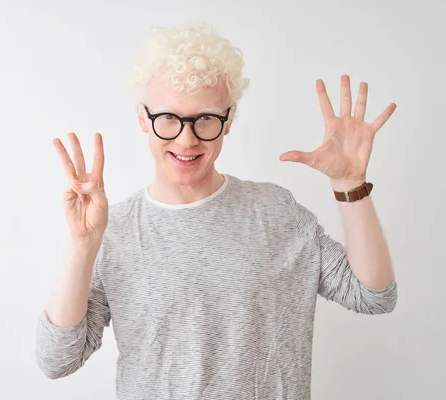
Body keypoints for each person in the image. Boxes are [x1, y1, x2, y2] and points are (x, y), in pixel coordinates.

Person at [36, 23, 398, 399]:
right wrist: (82, 244)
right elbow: (57, 360)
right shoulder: (114, 231)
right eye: (168, 119)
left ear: (229, 118)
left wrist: (350, 184)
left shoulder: (275, 212)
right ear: (143, 118)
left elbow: (374, 295)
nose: (186, 139)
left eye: (206, 118)